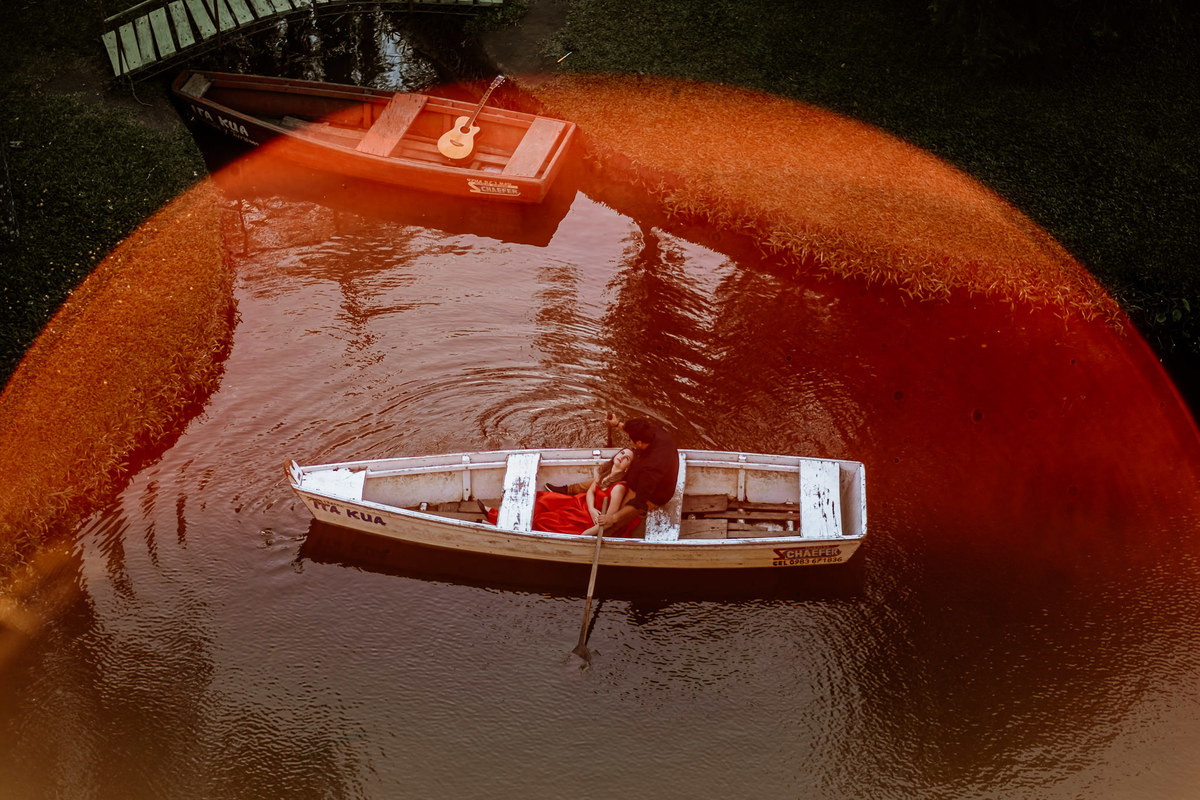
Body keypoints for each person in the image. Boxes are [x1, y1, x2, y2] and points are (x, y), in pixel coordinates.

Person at [481, 447, 643, 538]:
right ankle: (500, 515)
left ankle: (497, 524)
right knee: (542, 499)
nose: (622, 457)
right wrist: (592, 508)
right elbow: (590, 493)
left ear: (628, 467)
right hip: (585, 505)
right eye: (622, 453)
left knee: (545, 521)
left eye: (627, 458)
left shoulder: (619, 488)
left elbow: (609, 521)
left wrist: (585, 535)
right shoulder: (605, 471)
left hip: (590, 520)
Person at [594, 413, 680, 533]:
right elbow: (636, 432)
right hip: (638, 474)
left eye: (629, 439)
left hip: (651, 494)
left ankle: (602, 534)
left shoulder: (651, 468)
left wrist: (613, 518)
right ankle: (569, 489)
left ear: (639, 443)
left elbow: (640, 501)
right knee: (604, 477)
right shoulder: (654, 431)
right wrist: (617, 424)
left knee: (613, 524)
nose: (629, 441)